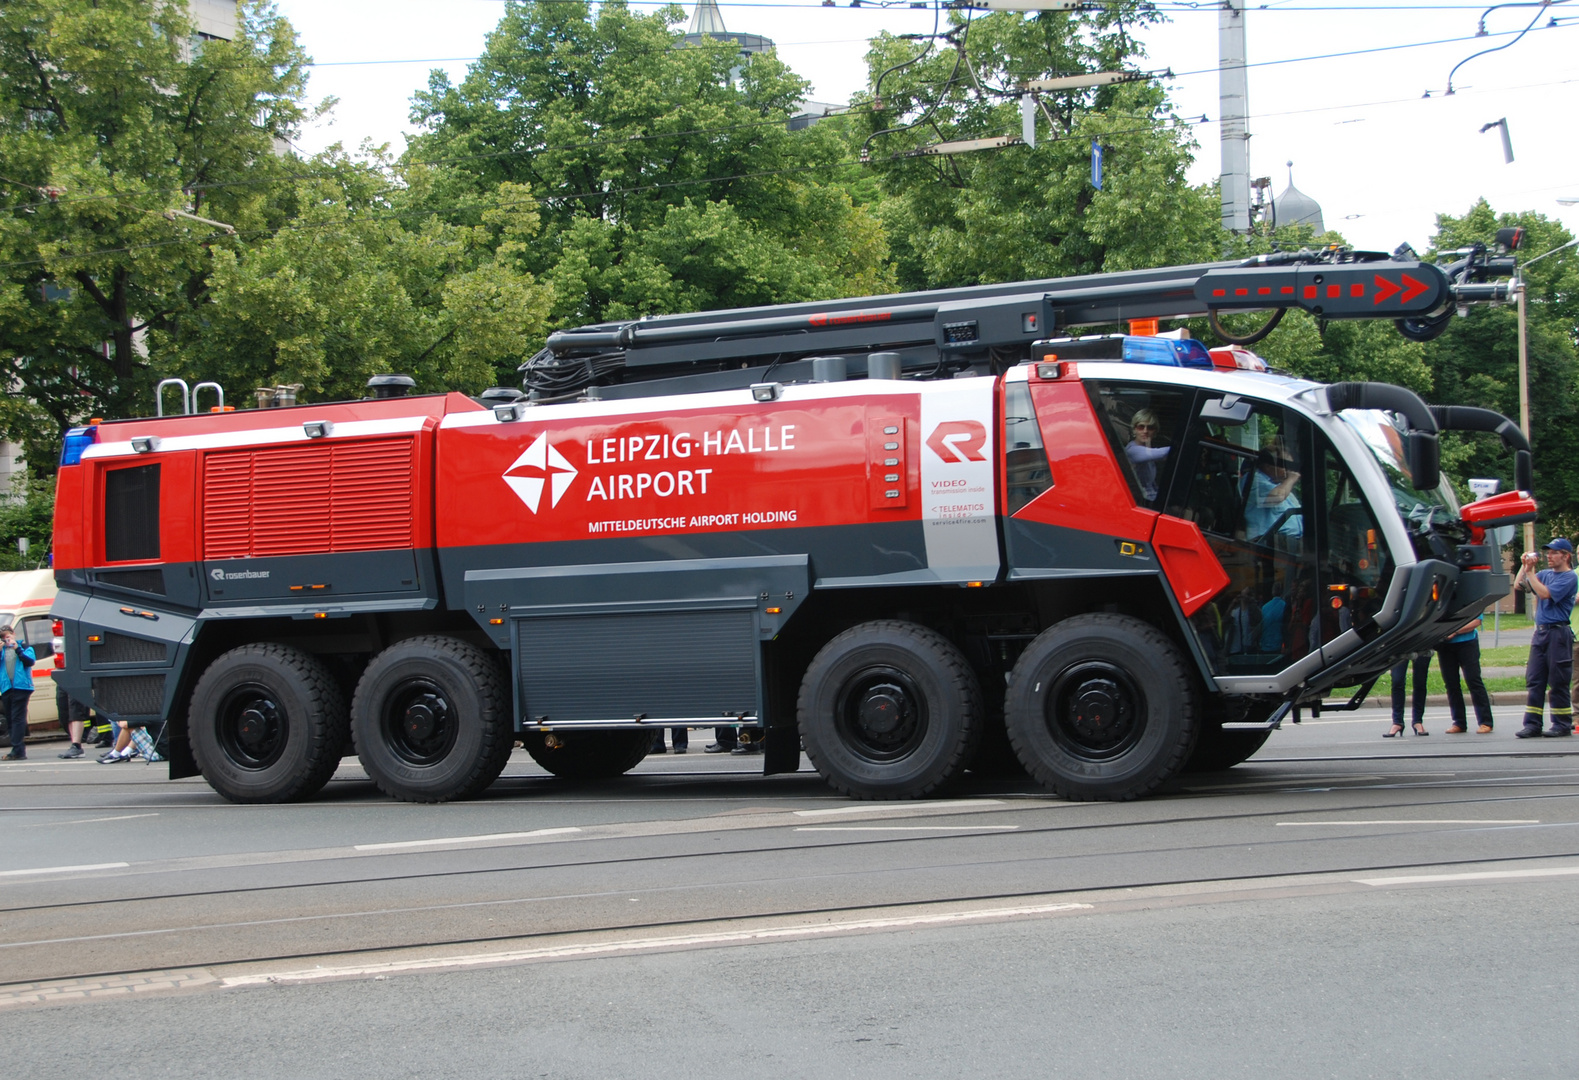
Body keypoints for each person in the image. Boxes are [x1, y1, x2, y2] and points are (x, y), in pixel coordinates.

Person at [1514, 537, 1577, 738]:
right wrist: (1524, 566)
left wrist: (1531, 572)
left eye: (1554, 552)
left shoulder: (1569, 577)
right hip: (1541, 632)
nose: (1548, 556)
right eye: (1547, 552)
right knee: (1535, 679)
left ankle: (1561, 723)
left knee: (1558, 680)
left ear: (1566, 556)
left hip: (1558, 633)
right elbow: (1519, 585)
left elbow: (1544, 594)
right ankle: (1532, 724)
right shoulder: (1544, 574)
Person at [1437, 616, 1494, 734]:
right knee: (1451, 683)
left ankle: (1485, 721)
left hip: (1467, 642)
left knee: (1473, 680)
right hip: (1445, 644)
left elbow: (1477, 621)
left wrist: (1455, 631)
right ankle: (1459, 722)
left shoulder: (1469, 598)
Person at [1245, 439, 1302, 544]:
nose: (1288, 470)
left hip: (1290, 540)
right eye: (1285, 465)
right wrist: (1291, 479)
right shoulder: (1254, 479)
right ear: (1268, 466)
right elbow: (1275, 497)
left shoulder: (1279, 485)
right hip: (1269, 541)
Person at [0, 624, 36, 760]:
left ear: (13, 634)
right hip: (6, 687)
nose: (5, 639)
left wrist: (17, 649)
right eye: (2, 637)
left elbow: (30, 662)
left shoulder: (24, 646)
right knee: (10, 719)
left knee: (17, 718)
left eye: (7, 636)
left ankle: (18, 750)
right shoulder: (2, 650)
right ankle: (17, 749)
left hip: (22, 687)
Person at [1124, 408, 1171, 503]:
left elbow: (1151, 484)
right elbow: (1164, 453)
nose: (1145, 431)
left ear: (1155, 431)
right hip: (1141, 502)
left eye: (1150, 428)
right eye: (1141, 427)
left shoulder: (1148, 450)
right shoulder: (1132, 450)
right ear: (1134, 429)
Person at [1385, 652, 1431, 737]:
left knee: (1420, 682)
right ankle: (1397, 722)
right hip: (1400, 645)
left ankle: (1418, 721)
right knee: (1397, 681)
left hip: (1421, 643)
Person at [57, 693, 92, 759]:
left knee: (76, 710)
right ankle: (74, 746)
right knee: (63, 712)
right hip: (63, 683)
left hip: (76, 684)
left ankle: (76, 745)